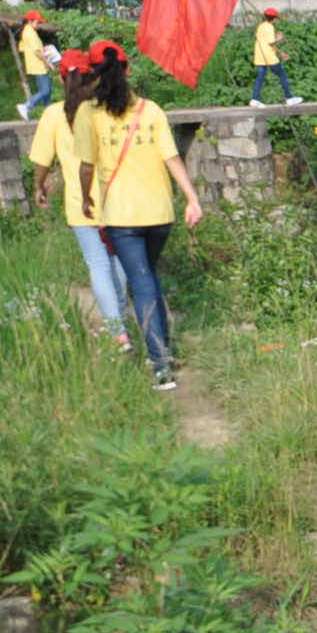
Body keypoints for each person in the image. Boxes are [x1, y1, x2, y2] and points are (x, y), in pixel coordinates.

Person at [73, 40, 206, 391]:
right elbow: (172, 158)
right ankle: (163, 348)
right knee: (147, 278)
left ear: (93, 74)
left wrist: (87, 196)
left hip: (121, 215)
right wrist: (192, 198)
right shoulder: (151, 109)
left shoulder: (89, 113)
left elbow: (86, 166)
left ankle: (161, 364)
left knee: (142, 282)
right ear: (128, 69)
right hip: (160, 212)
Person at [30, 48, 131, 349]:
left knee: (98, 265)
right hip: (115, 196)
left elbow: (41, 160)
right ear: (93, 75)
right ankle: (122, 320)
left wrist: (39, 186)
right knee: (118, 261)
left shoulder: (54, 114)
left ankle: (118, 332)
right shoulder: (106, 109)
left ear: (63, 79)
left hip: (80, 202)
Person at [249, 7, 302, 106]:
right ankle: (289, 98)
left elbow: (267, 43)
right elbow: (271, 42)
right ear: (273, 18)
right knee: (282, 74)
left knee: (260, 78)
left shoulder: (260, 26)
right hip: (269, 57)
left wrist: (281, 53)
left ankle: (255, 99)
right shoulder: (269, 27)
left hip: (260, 56)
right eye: (276, 18)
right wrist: (279, 38)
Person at [16, 9, 51, 119]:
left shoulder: (28, 31)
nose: (39, 24)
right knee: (45, 90)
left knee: (48, 90)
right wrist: (48, 63)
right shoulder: (30, 33)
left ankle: (48, 114)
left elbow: (26, 49)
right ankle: (27, 106)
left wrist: (43, 49)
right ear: (30, 21)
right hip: (38, 66)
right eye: (37, 22)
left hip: (37, 65)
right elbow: (36, 52)